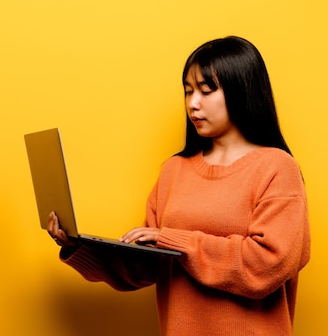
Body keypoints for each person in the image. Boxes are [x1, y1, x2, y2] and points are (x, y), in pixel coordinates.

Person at [47, 36, 310, 335]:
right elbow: (147, 267)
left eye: (206, 90)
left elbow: (267, 265)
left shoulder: (277, 168)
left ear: (242, 90)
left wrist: (176, 241)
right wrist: (77, 245)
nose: (192, 103)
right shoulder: (174, 171)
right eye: (188, 91)